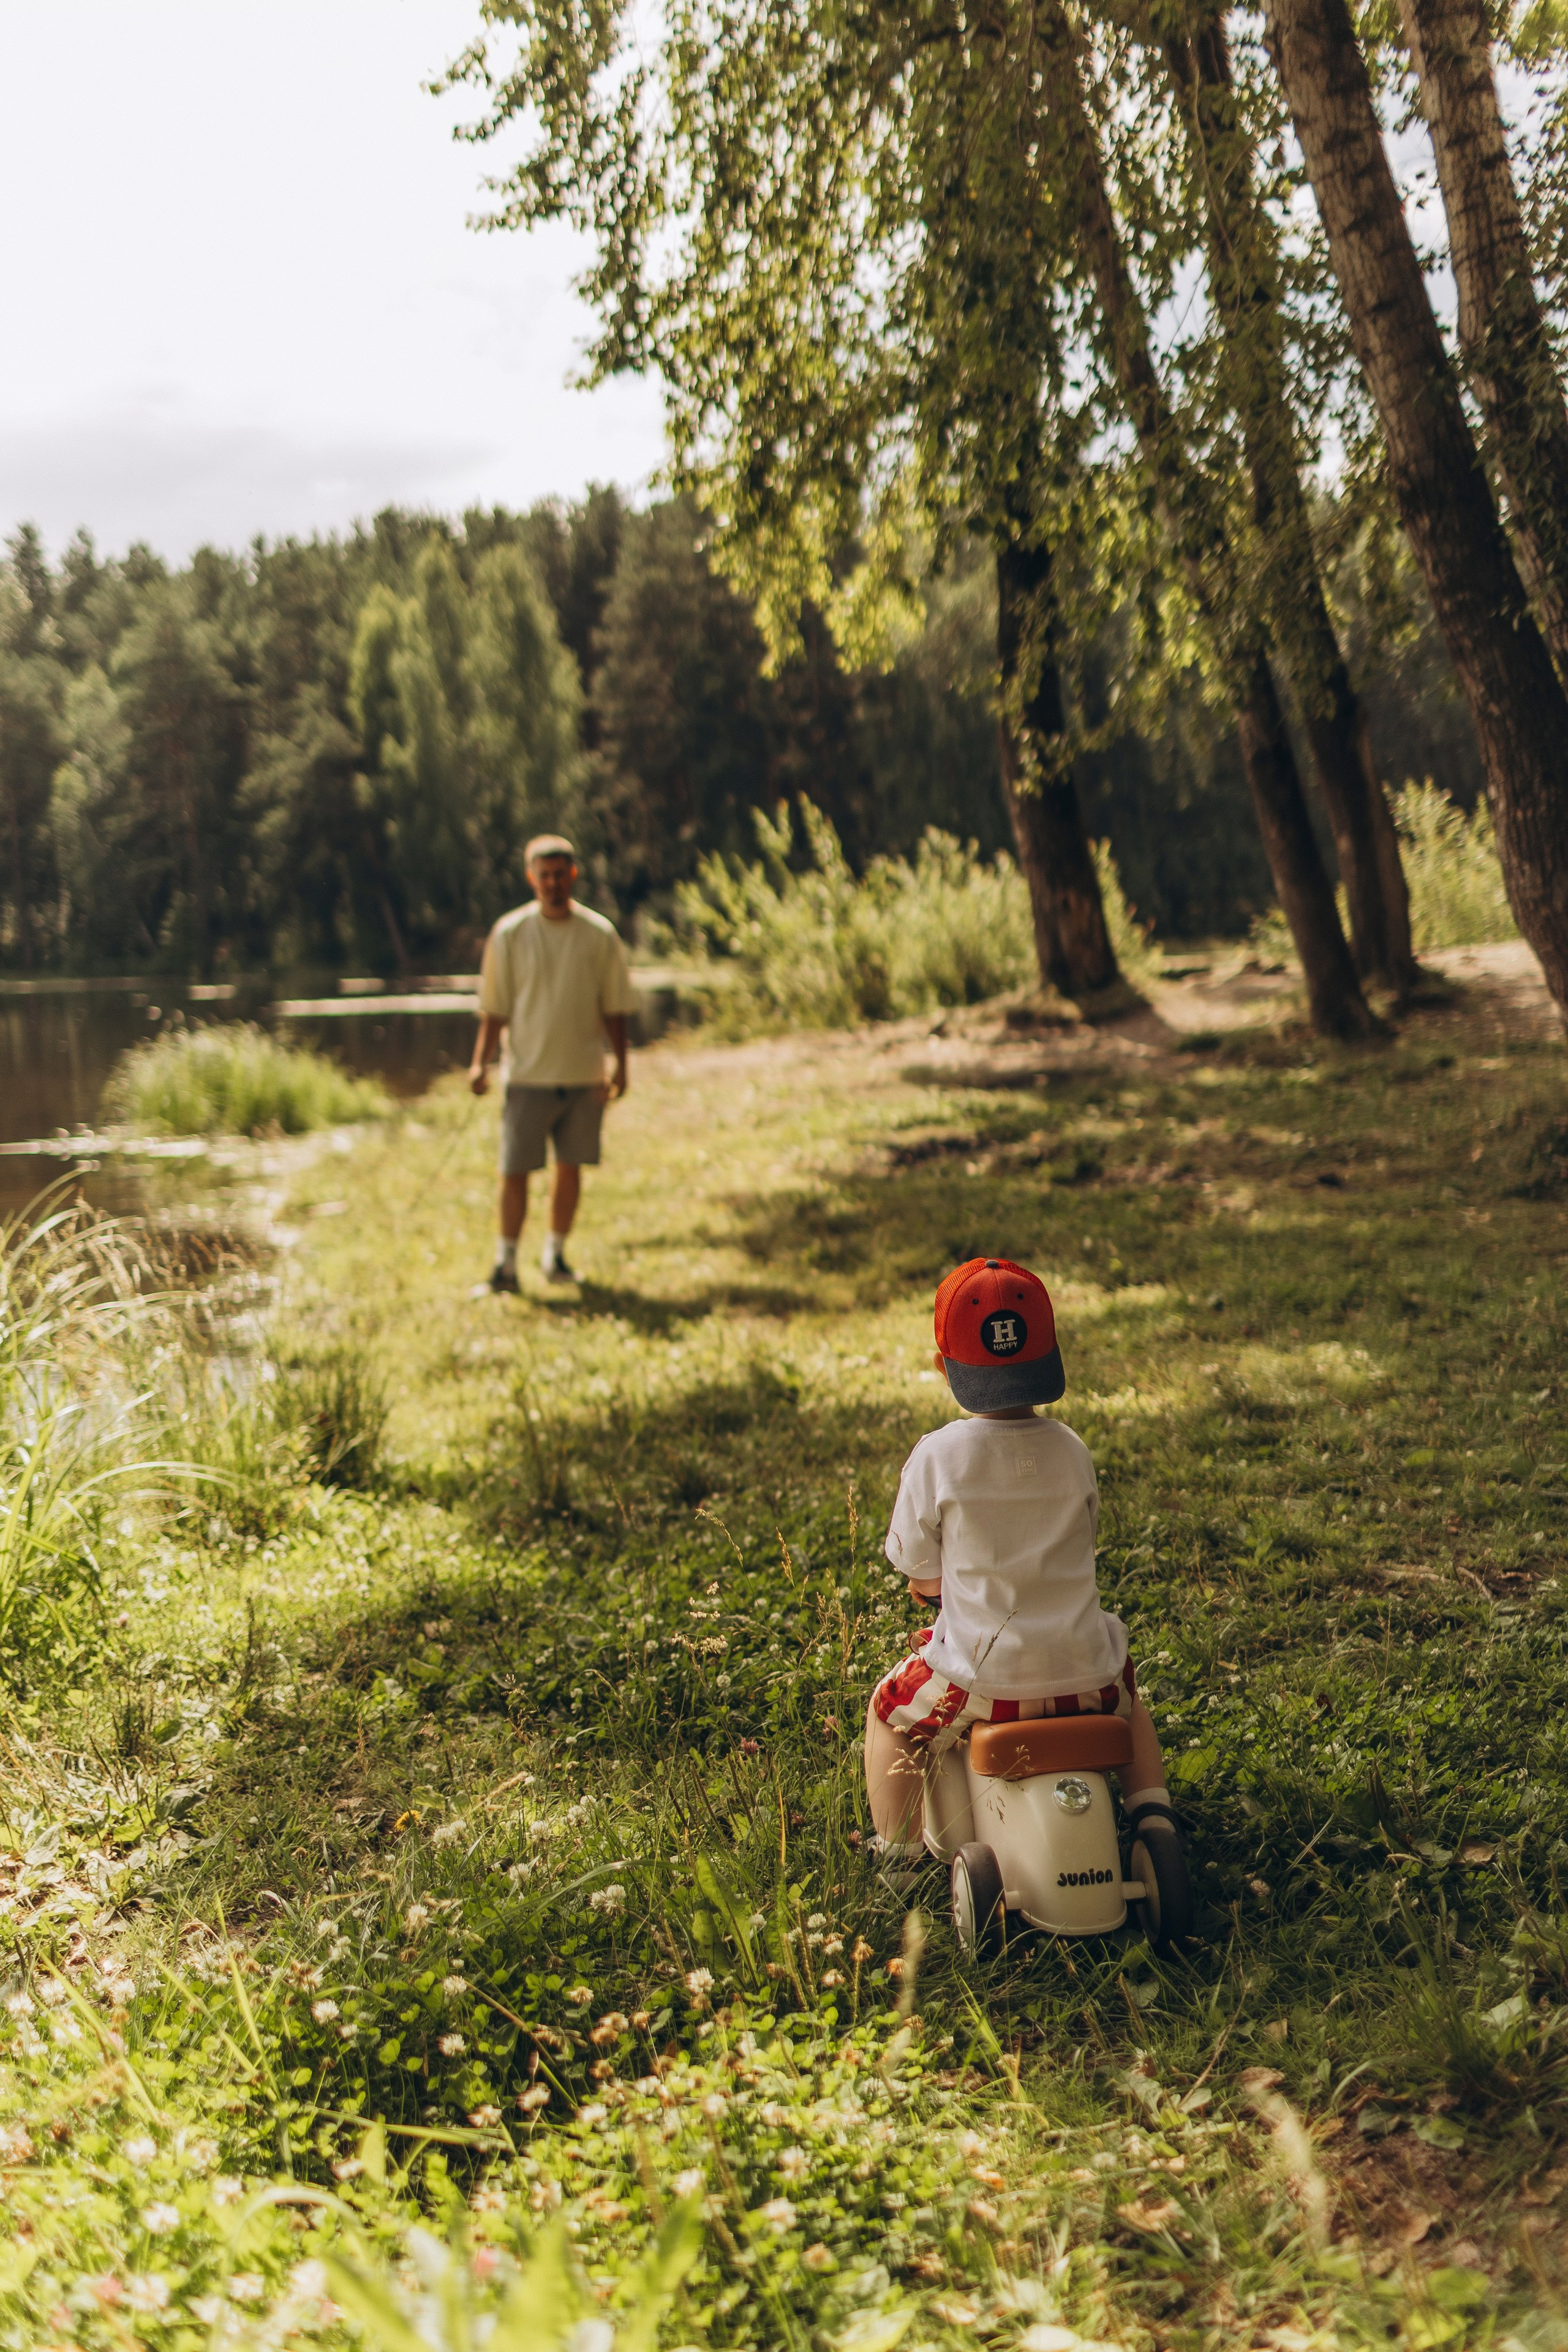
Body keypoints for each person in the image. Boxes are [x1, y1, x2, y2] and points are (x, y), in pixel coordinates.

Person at [865, 1254, 1177, 1864]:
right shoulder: (1071, 1449)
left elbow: (919, 1568)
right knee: (1132, 1702)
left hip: (984, 1683)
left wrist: (930, 1585)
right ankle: (1153, 1815)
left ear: (942, 1365)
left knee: (888, 1713)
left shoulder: (938, 1456)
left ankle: (897, 1855)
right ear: (1051, 1357)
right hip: (1088, 1679)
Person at [469, 835, 639, 1289]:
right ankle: (505, 1266)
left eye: (560, 874)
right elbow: (495, 1006)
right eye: (544, 876)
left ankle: (555, 1257)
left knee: (570, 1168)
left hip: (584, 1075)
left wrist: (621, 1064)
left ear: (573, 876)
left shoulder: (599, 934)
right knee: (515, 1171)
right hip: (527, 1076)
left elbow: (615, 1007)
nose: (552, 883)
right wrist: (479, 1064)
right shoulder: (509, 934)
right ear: (531, 879)